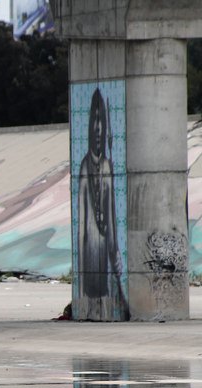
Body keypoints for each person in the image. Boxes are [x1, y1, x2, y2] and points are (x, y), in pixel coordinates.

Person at [77, 87, 128, 320]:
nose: (98, 129)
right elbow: (81, 225)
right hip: (89, 252)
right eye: (94, 123)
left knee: (107, 298)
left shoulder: (107, 167)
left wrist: (115, 250)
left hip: (104, 252)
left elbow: (110, 216)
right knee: (91, 297)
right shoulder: (85, 166)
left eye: (101, 123)